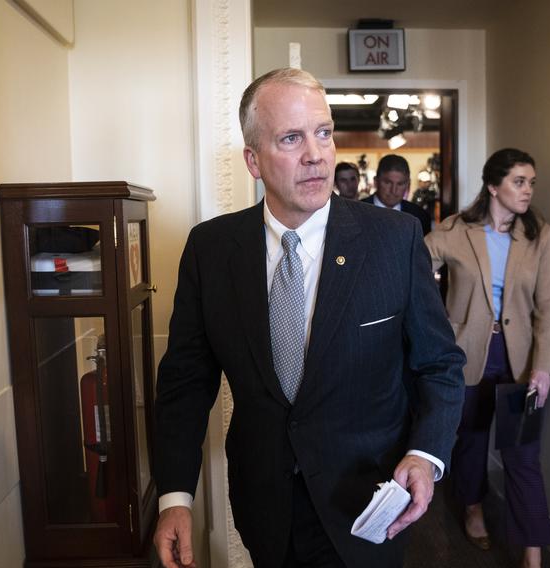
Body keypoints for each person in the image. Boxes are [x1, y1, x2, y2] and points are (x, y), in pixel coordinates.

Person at [152, 68, 465, 568]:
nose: (316, 153)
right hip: (267, 508)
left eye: (323, 132)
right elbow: (185, 383)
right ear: (254, 160)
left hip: (370, 505)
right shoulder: (211, 251)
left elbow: (440, 366)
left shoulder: (394, 240)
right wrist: (174, 498)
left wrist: (426, 455)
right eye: (292, 138)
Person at [424, 148, 550, 568]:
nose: (528, 191)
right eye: (519, 181)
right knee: (471, 439)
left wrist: (543, 366)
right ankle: (472, 507)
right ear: (493, 186)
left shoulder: (541, 235)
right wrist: (435, 326)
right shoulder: (456, 231)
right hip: (466, 355)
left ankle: (533, 553)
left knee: (523, 455)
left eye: (531, 183)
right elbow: (413, 265)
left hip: (521, 360)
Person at [361, 154, 432, 235]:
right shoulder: (356, 213)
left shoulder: (419, 217)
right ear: (376, 181)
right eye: (387, 183)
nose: (393, 190)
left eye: (400, 184)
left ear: (408, 185)